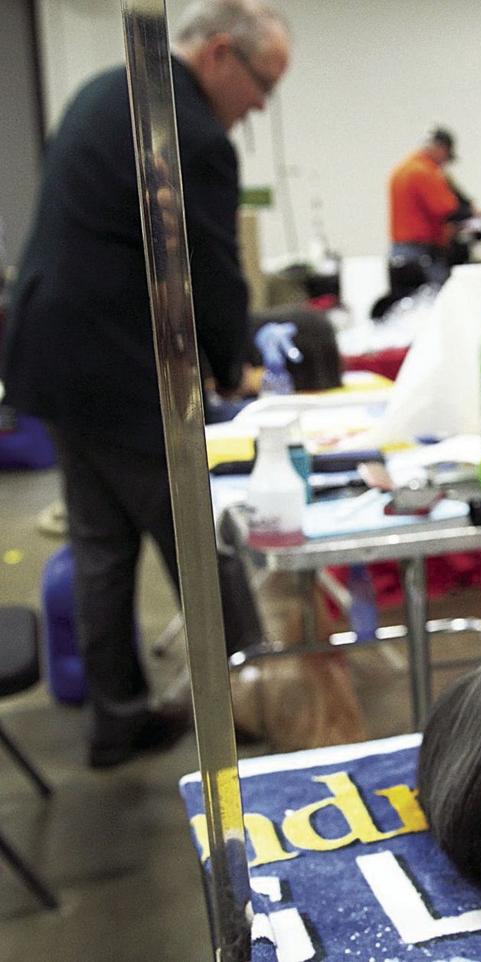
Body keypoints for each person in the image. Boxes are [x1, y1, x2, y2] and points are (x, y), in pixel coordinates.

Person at [0, 0, 290, 768]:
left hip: (51, 356)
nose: (261, 106)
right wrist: (236, 367)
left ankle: (118, 719)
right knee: (204, 538)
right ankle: (257, 707)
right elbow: (212, 268)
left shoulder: (105, 90)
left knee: (100, 547)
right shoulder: (185, 129)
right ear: (221, 53)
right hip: (117, 369)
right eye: (263, 84)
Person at [388, 127, 477, 288]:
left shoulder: (402, 169)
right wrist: (472, 213)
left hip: (400, 250)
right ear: (441, 149)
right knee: (437, 295)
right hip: (421, 252)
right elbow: (447, 209)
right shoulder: (425, 172)